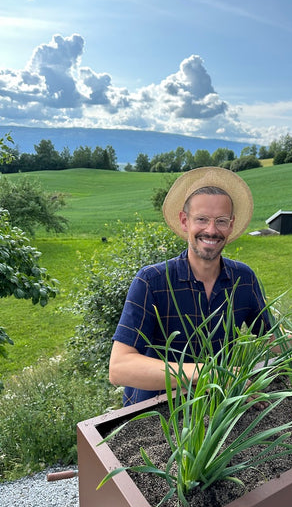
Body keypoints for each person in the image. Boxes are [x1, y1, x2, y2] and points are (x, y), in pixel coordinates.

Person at [109, 166, 271, 406]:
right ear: (185, 221)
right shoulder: (152, 281)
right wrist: (208, 374)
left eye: (221, 221)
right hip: (155, 413)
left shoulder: (243, 278)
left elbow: (272, 338)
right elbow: (120, 368)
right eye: (202, 219)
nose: (211, 230)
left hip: (218, 407)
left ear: (231, 225)